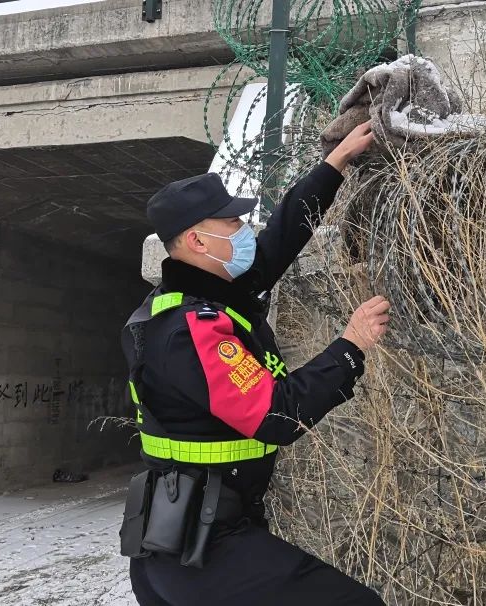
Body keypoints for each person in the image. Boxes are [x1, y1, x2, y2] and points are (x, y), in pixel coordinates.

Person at [119, 121, 390, 606]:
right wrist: (351, 345)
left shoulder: (203, 294)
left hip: (187, 538)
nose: (245, 232)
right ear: (199, 243)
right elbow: (275, 415)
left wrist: (334, 165)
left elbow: (278, 243)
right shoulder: (191, 331)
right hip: (203, 552)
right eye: (233, 225)